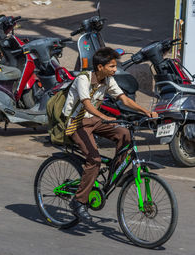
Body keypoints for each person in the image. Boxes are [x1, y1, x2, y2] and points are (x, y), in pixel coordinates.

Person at [63, 47, 158, 223]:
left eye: (115, 66)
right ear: (100, 67)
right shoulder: (82, 79)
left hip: (95, 120)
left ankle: (115, 174)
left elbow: (124, 99)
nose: (115, 70)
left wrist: (146, 112)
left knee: (124, 134)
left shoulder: (108, 80)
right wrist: (105, 116)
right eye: (112, 66)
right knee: (95, 161)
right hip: (77, 123)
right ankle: (78, 202)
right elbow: (86, 105)